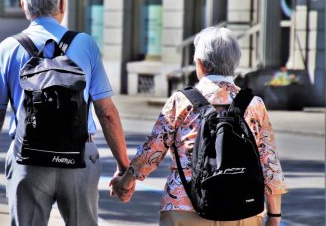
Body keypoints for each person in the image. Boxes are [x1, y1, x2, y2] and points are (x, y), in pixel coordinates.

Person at [0, 0, 132, 226]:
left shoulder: (7, 48)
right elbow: (107, 113)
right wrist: (124, 167)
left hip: (28, 160)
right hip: (80, 157)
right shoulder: (85, 45)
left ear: (23, 6)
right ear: (62, 4)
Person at [111, 27, 287, 226]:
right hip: (243, 209)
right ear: (235, 63)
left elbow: (153, 150)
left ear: (200, 63)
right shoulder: (254, 104)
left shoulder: (181, 101)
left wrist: (126, 180)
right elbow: (269, 163)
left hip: (184, 206)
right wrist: (274, 216)